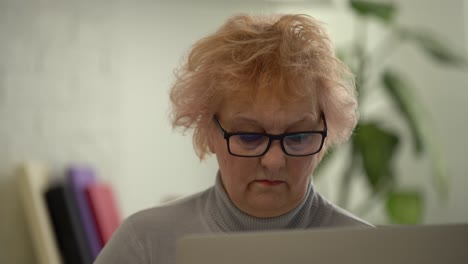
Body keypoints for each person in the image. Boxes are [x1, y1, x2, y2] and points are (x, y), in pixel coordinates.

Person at [95, 13, 371, 264]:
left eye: (298, 137)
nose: (274, 161)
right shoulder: (145, 244)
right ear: (209, 131)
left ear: (325, 135)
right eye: (249, 136)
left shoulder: (370, 250)